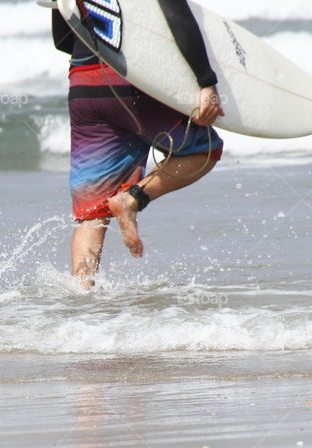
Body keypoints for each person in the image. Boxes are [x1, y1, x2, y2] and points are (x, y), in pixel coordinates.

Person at [52, 0, 224, 287]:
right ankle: (132, 199)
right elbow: (176, 15)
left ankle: (81, 300)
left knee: (92, 214)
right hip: (132, 79)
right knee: (204, 150)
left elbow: (63, 38)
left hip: (84, 85)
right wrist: (206, 81)